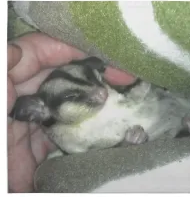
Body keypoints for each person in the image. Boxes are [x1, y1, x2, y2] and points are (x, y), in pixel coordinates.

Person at [7, 33, 135, 193]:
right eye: (73, 96)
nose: (101, 91)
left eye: (90, 78)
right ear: (41, 111)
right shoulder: (68, 142)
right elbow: (100, 165)